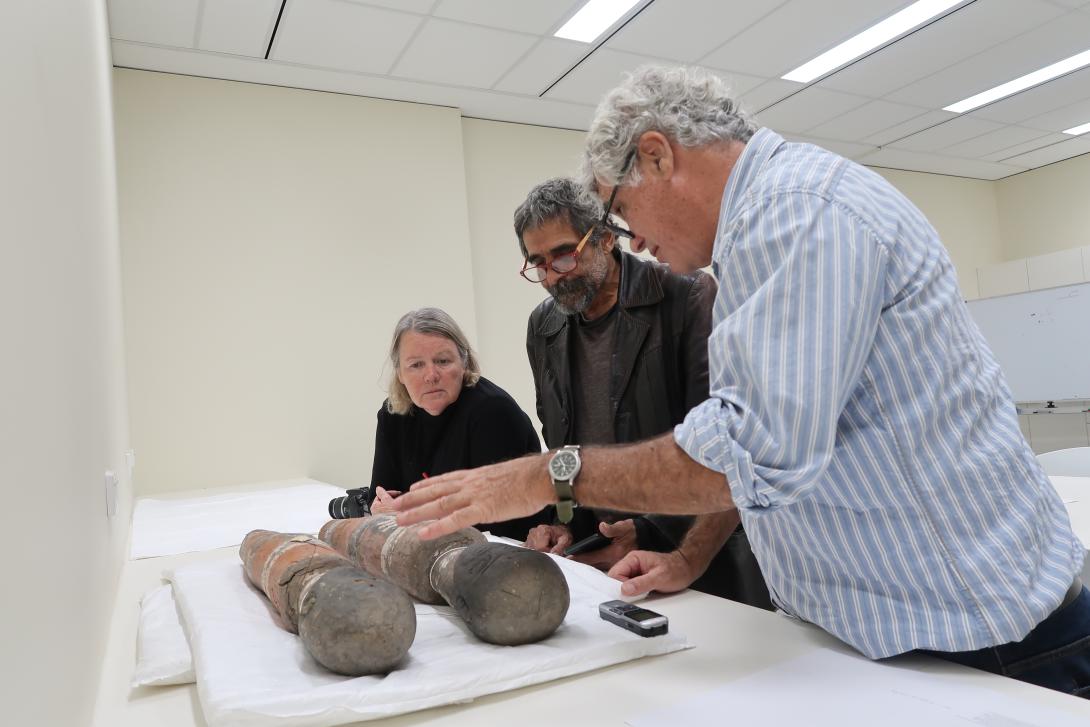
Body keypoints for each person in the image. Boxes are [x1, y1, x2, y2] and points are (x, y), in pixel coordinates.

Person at [393, 66, 1090, 697]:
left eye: (622, 213)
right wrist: (688, 555)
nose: (631, 239)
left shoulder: (798, 213)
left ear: (658, 156)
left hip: (988, 642)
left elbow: (749, 452)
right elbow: (757, 445)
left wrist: (552, 474)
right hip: (887, 635)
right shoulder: (757, 236)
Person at [515, 176, 770, 608]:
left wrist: (650, 528)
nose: (553, 277)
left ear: (606, 239)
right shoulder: (545, 325)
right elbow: (558, 443)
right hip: (601, 555)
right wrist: (563, 520)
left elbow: (722, 445)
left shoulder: (685, 297)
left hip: (699, 552)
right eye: (537, 264)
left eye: (563, 255)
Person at [353, 307, 544, 540]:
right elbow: (381, 497)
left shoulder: (492, 411)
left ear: (464, 363)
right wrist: (385, 510)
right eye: (416, 365)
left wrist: (407, 514)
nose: (431, 375)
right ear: (399, 373)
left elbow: (498, 519)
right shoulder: (393, 413)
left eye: (442, 361)